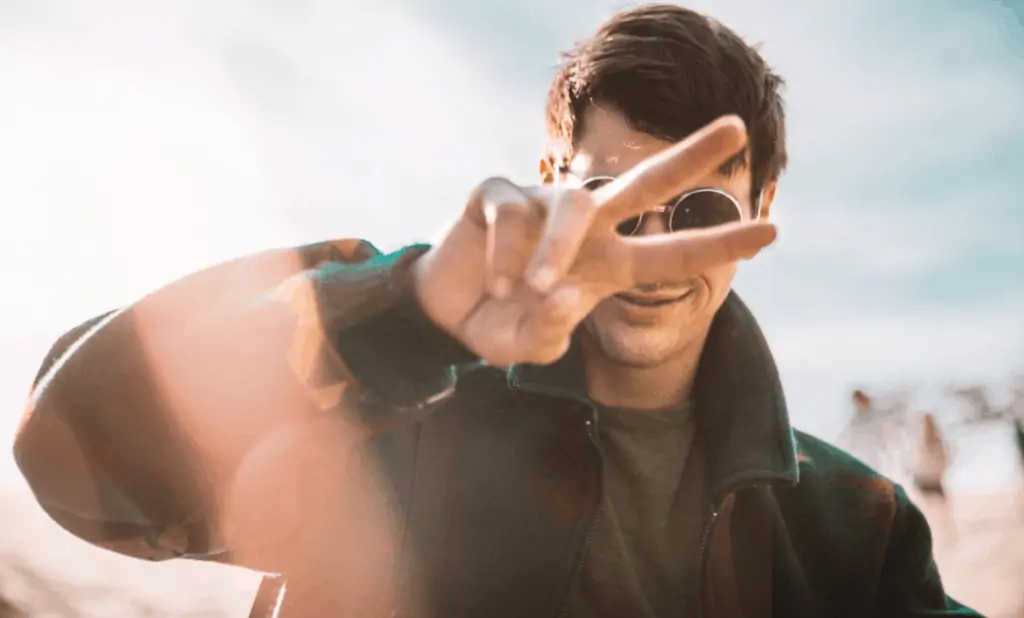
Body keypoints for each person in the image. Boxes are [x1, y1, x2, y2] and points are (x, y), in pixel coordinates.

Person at [12, 4, 977, 617]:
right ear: (553, 181)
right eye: (613, 201)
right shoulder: (397, 408)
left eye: (698, 210)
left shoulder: (856, 525)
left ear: (762, 209)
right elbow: (79, 459)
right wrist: (411, 313)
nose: (643, 252)